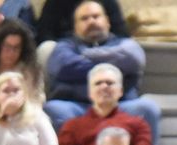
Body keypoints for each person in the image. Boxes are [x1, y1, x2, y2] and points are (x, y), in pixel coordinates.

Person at [43, 0, 159, 137]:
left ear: (107, 21)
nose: (91, 21)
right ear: (75, 26)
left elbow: (133, 60)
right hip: (78, 106)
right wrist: (111, 65)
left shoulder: (126, 44)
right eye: (84, 18)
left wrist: (85, 56)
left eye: (96, 16)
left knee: (148, 108)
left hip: (120, 106)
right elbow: (63, 67)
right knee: (54, 108)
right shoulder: (64, 46)